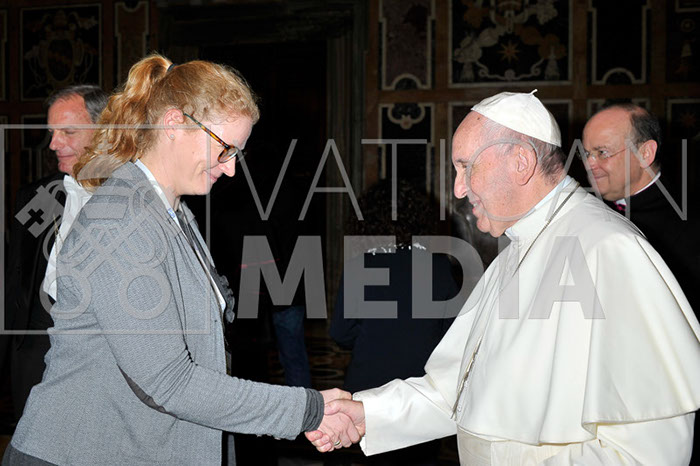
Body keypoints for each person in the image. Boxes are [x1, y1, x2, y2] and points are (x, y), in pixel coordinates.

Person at [3, 54, 358, 465]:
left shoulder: (173, 210)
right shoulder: (121, 219)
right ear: (174, 124)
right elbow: (169, 383)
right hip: (77, 451)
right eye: (224, 149)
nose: (231, 169)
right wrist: (309, 410)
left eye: (237, 153)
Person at [309, 90, 700, 464]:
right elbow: (459, 388)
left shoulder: (607, 248)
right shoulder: (515, 251)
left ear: (521, 162)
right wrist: (369, 413)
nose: (458, 189)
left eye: (466, 167)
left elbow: (648, 453)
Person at [1, 84, 107, 421]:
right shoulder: (37, 197)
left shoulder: (136, 197)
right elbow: (15, 283)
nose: (53, 144)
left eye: (68, 132)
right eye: (52, 132)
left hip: (104, 360)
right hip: (35, 357)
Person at [582, 104, 700, 314]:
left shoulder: (690, 224)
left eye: (602, 152)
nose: (590, 164)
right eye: (586, 153)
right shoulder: (585, 208)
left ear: (645, 153)